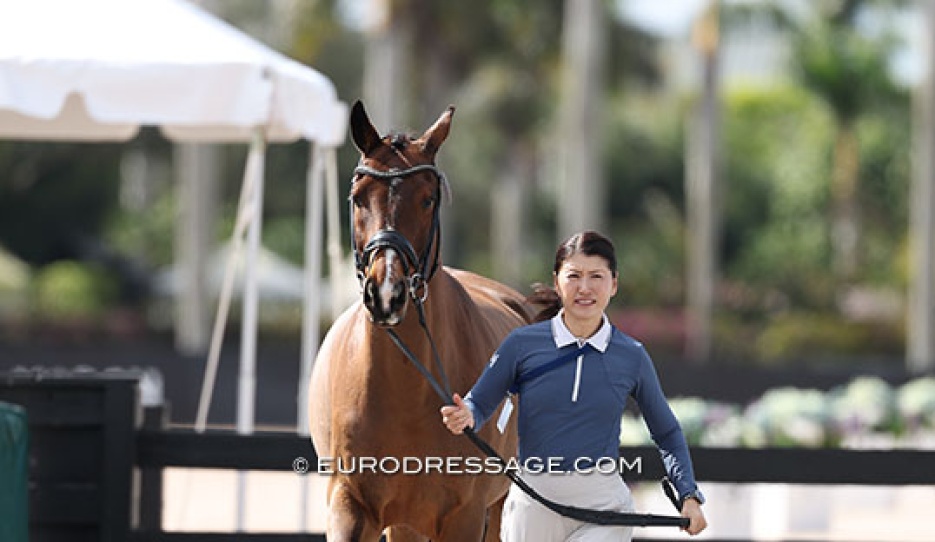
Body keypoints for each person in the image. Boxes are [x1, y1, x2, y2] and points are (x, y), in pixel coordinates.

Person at [441, 230, 707, 541]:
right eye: (574, 276)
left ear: (614, 284)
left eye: (596, 276)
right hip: (533, 501)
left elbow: (666, 431)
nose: (584, 288)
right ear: (557, 282)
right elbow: (480, 402)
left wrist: (688, 495)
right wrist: (466, 414)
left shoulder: (631, 356)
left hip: (603, 502)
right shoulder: (520, 344)